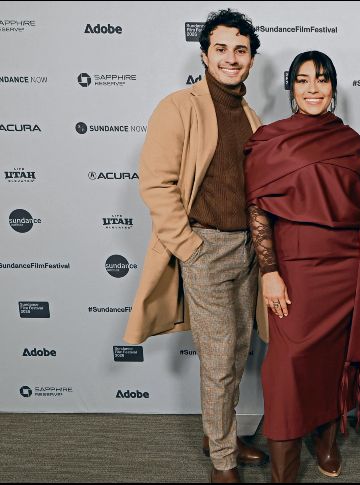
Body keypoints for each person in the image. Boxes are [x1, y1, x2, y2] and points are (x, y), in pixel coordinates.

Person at [122, 9, 268, 483]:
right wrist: (189, 247)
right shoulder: (178, 106)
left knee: (240, 348)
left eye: (240, 51)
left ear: (251, 61)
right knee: (220, 355)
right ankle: (222, 462)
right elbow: (157, 183)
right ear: (204, 54)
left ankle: (217, 431)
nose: (231, 58)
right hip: (205, 247)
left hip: (247, 249)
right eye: (221, 49)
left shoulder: (250, 115)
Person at [243, 51, 360, 483]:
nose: (313, 88)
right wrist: (268, 271)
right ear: (291, 87)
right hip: (294, 266)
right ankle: (284, 472)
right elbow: (257, 210)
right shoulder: (271, 138)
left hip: (349, 265)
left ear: (333, 87)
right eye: (304, 80)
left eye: (322, 80)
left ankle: (325, 440)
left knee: (333, 362)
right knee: (286, 367)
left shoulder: (349, 140)